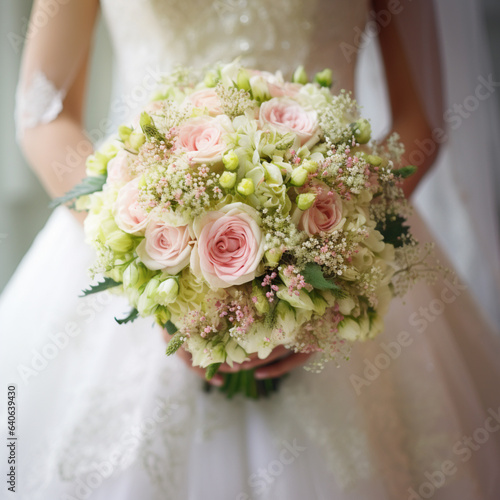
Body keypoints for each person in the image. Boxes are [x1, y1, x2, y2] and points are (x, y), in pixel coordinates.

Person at [1, 0, 499, 498]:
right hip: (144, 232)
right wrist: (144, 256)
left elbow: (420, 125)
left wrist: (331, 267)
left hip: (335, 231)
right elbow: (42, 111)